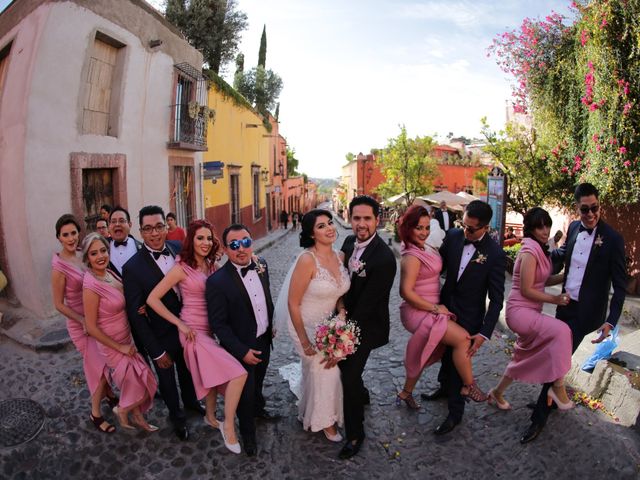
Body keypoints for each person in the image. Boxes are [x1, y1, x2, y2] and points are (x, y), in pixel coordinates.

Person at [521, 183, 626, 444]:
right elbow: (562, 255)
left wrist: (610, 322)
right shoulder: (575, 228)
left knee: (557, 356)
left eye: (595, 208)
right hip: (565, 305)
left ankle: (539, 416)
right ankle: (552, 399)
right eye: (585, 209)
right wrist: (541, 249)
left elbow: (621, 287)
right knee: (555, 356)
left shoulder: (613, 239)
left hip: (587, 313)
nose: (590, 214)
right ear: (577, 208)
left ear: (599, 206)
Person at [147, 220, 247, 454]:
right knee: (238, 373)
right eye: (200, 238)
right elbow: (152, 299)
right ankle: (228, 426)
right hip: (192, 333)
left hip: (210, 330)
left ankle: (210, 417)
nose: (205, 242)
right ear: (191, 241)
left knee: (211, 376)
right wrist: (179, 324)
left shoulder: (212, 265)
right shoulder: (181, 268)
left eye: (209, 238)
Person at [422, 200, 505, 436]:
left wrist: (484, 333)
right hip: (446, 308)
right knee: (445, 356)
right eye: (464, 225)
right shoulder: (454, 236)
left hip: (470, 317)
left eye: (471, 229)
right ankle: (444, 388)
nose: (465, 231)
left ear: (485, 228)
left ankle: (455, 414)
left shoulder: (496, 254)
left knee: (460, 365)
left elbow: (497, 299)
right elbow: (440, 266)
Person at [122, 206, 203, 441]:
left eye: (159, 226)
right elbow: (135, 315)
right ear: (141, 232)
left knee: (187, 372)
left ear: (166, 226)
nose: (155, 234)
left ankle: (191, 403)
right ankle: (177, 418)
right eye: (148, 229)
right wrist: (155, 352)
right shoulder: (133, 267)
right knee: (167, 384)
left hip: (187, 328)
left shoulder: (179, 248)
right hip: (161, 336)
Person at [397, 205, 487, 410]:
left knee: (423, 351)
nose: (424, 232)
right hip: (418, 310)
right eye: (418, 228)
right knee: (463, 339)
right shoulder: (411, 256)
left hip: (431, 307)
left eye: (427, 227)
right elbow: (406, 292)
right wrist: (435, 309)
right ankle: (469, 386)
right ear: (408, 228)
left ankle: (405, 392)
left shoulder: (425, 246)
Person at [276, 209, 350, 442]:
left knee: (319, 372)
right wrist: (305, 340)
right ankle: (325, 421)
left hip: (328, 326)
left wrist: (340, 311)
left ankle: (310, 410)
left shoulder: (340, 257)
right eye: (321, 226)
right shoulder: (307, 260)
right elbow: (293, 302)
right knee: (328, 371)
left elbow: (338, 292)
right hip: (304, 325)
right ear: (311, 234)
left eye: (330, 223)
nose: (329, 228)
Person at [488, 208, 572, 411]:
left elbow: (541, 280)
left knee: (521, 357)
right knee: (562, 331)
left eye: (547, 225)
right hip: (520, 312)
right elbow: (526, 289)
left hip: (530, 311)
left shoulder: (538, 247)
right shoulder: (529, 251)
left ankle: (496, 393)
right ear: (531, 229)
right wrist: (555, 299)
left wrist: (565, 275)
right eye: (539, 227)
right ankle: (558, 387)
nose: (545, 230)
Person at [206, 224, 277, 457]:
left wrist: (270, 324)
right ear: (226, 249)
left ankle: (259, 410)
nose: (241, 249)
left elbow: (265, 298)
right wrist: (241, 351)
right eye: (234, 245)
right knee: (244, 395)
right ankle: (248, 436)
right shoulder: (217, 282)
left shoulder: (262, 265)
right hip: (242, 348)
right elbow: (219, 325)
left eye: (246, 242)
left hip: (264, 340)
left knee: (258, 384)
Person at [337, 195, 396, 460]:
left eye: (367, 219)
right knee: (347, 371)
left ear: (377, 220)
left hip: (366, 325)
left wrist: (340, 338)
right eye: (357, 218)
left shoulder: (384, 258)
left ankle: (355, 434)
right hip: (344, 317)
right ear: (350, 219)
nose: (361, 224)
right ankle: (362, 394)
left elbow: (367, 307)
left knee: (348, 375)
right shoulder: (349, 242)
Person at [82, 233, 158, 431]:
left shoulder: (110, 274)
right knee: (142, 381)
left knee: (134, 381)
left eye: (103, 251)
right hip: (112, 344)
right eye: (94, 253)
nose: (100, 256)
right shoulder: (90, 286)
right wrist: (120, 347)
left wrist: (141, 307)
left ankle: (137, 417)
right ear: (87, 258)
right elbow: (90, 327)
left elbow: (125, 297)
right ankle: (123, 410)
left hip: (125, 337)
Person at [51, 215, 114, 433]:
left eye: (73, 233)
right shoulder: (59, 267)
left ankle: (110, 394)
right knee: (97, 366)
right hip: (81, 324)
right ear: (59, 237)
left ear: (79, 233)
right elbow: (59, 304)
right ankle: (95, 413)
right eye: (65, 234)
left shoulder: (82, 253)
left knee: (106, 359)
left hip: (96, 317)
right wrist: (82, 320)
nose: (70, 238)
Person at [107, 206, 142, 279]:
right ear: (109, 226)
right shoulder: (103, 246)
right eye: (113, 221)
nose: (117, 224)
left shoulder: (141, 248)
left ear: (130, 225)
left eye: (121, 220)